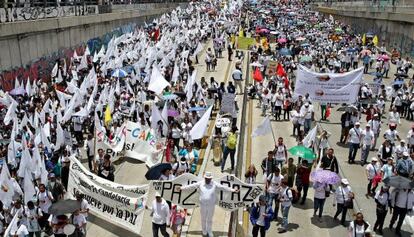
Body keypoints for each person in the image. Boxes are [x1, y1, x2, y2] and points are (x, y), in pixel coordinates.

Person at [180, 172, 238, 237]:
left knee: (210, 219)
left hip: (211, 205)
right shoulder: (201, 183)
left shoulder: (214, 184)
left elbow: (223, 187)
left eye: (209, 179)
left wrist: (232, 190)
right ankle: (204, 231)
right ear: (205, 178)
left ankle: (209, 231)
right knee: (203, 218)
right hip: (203, 205)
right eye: (207, 178)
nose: (208, 180)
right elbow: (191, 186)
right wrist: (182, 188)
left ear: (211, 179)